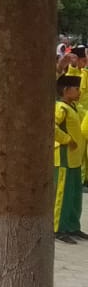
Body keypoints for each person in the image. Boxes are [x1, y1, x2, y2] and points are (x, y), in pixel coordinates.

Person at [55, 75, 84, 244]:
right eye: (76, 88)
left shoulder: (73, 107)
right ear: (66, 90)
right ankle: (58, 228)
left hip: (75, 158)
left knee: (74, 194)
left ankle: (73, 225)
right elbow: (52, 125)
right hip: (64, 156)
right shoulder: (60, 108)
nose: (79, 91)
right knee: (62, 194)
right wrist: (66, 139)